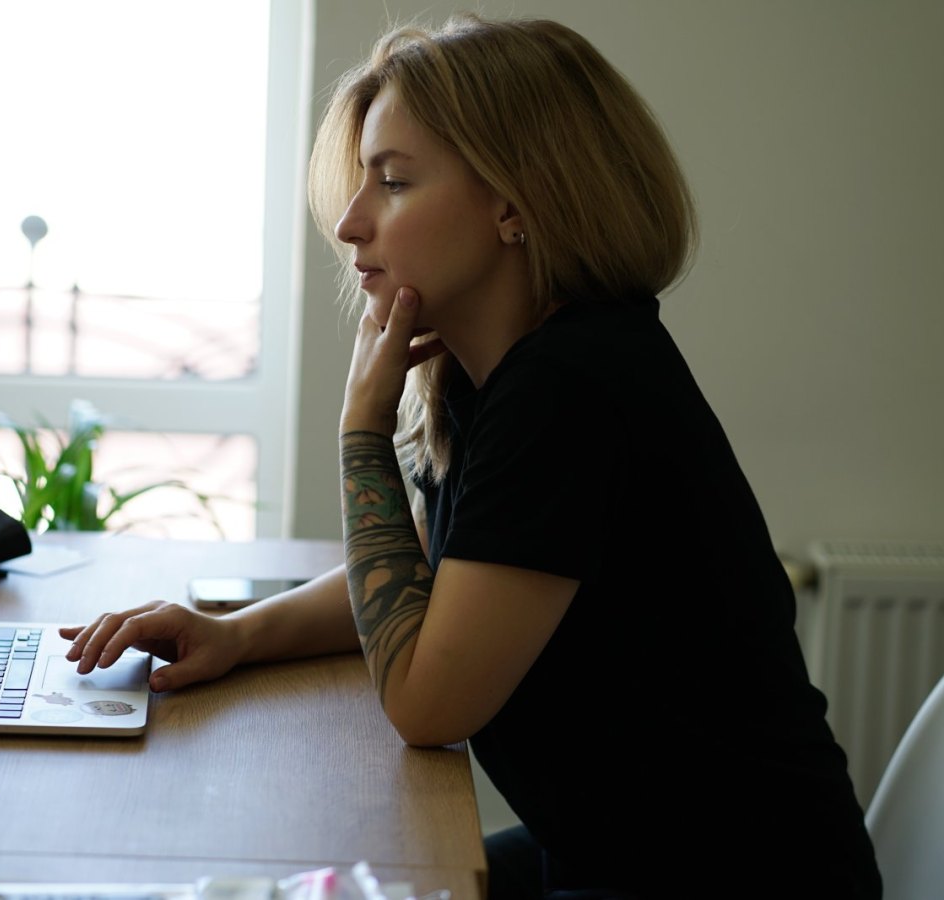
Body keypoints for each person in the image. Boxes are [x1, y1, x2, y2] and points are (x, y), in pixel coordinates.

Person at [62, 13, 882, 899]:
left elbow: (425, 704)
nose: (349, 224)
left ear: (513, 203)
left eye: (395, 183)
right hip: (620, 852)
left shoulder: (572, 387)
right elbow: (433, 574)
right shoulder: (500, 375)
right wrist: (235, 636)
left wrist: (360, 435)